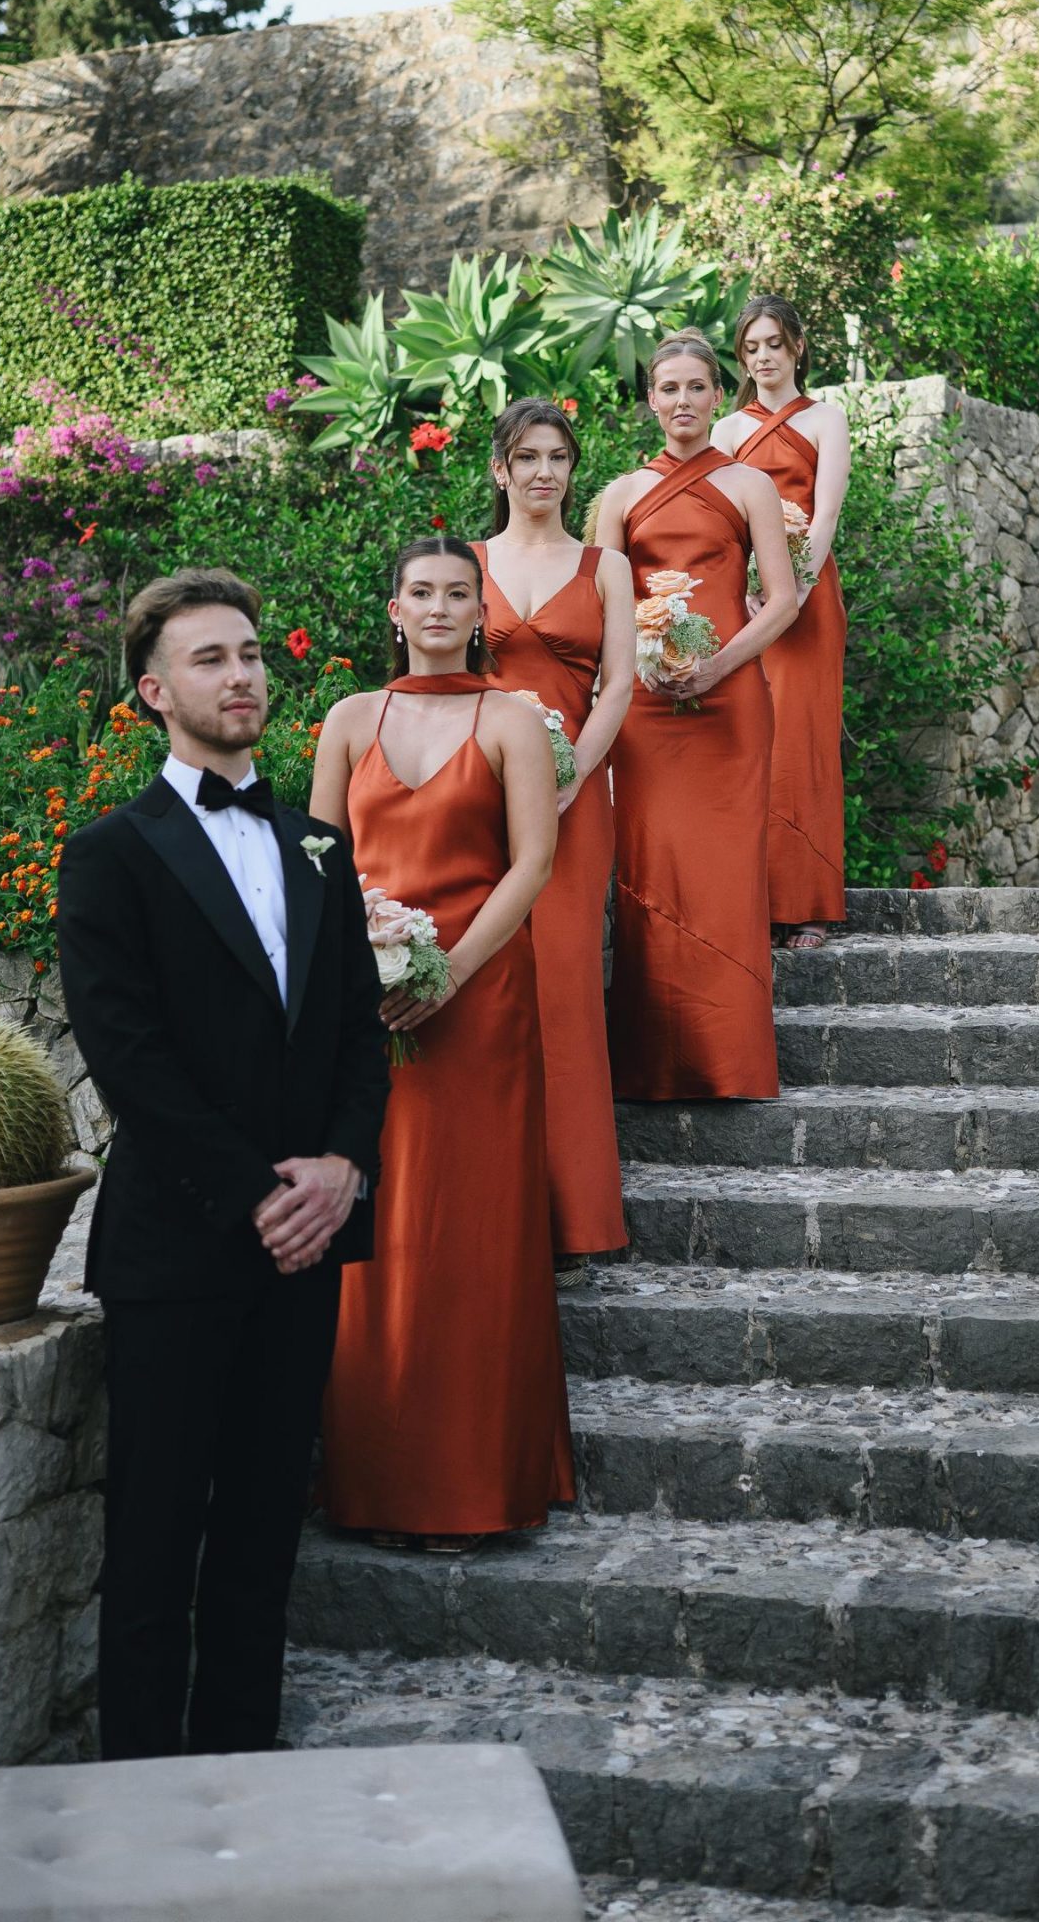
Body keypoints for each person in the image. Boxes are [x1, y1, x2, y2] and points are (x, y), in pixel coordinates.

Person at [57, 567, 389, 1762]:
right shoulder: (110, 855)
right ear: (154, 691)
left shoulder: (318, 847)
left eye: (249, 653)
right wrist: (260, 1194)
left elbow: (358, 1032)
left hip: (306, 1248)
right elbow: (129, 1059)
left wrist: (344, 1166)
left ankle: (245, 1774)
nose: (241, 674)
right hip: (180, 1248)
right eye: (210, 658)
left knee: (262, 1538)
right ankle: (142, 1796)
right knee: (153, 1546)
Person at [310, 534, 572, 1544]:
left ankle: (477, 1485)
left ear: (478, 611)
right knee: (377, 1233)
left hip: (482, 1002)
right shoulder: (349, 720)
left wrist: (448, 975)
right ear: (394, 609)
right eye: (419, 591)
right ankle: (377, 1483)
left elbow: (532, 863)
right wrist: (357, 977)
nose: (437, 607)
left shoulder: (511, 719)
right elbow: (321, 863)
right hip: (368, 1006)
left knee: (473, 1232)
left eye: (457, 592)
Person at [594, 334, 801, 1101]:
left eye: (696, 386)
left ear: (719, 395)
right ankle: (654, 1063)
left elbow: (782, 600)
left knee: (724, 877)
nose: (682, 400)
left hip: (729, 705)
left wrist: (718, 666)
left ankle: (728, 1061)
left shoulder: (749, 485)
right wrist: (636, 671)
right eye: (668, 387)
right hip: (646, 711)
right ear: (650, 399)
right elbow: (600, 607)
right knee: (651, 869)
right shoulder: (618, 495)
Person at [473, 399, 634, 1274]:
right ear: (499, 470)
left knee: (564, 988)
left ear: (574, 471)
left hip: (575, 801)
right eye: (527, 456)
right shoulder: (465, 564)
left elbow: (619, 687)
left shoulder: (606, 567)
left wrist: (571, 777)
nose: (544, 472)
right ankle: (493, 1205)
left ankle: (573, 1217)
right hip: (479, 799)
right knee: (489, 986)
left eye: (558, 457)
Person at [714, 294, 851, 947]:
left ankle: (808, 902)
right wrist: (745, 589)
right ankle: (755, 902)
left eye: (774, 343)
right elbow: (719, 524)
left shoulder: (826, 419)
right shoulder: (725, 431)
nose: (763, 356)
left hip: (807, 597)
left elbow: (825, 514)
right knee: (749, 741)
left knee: (803, 741)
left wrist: (791, 590)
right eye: (751, 348)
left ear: (797, 346)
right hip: (741, 602)